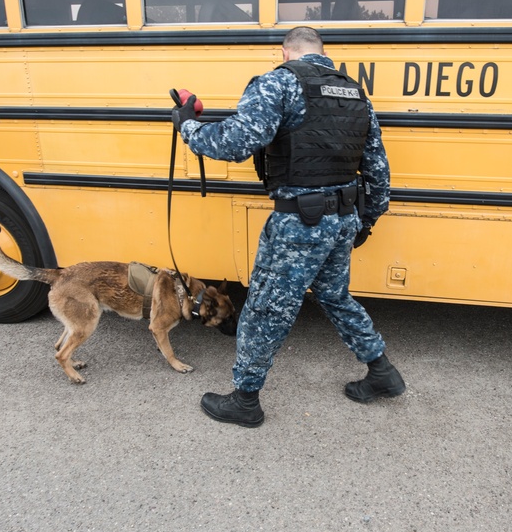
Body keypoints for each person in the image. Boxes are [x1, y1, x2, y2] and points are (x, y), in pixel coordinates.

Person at [172, 26, 405, 427]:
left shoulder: (278, 82)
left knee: (265, 309)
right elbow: (379, 170)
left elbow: (234, 143)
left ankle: (245, 401)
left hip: (300, 221)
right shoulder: (354, 93)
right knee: (334, 296)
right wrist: (366, 220)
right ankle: (382, 372)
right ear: (322, 53)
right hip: (342, 218)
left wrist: (187, 125)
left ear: (285, 53)